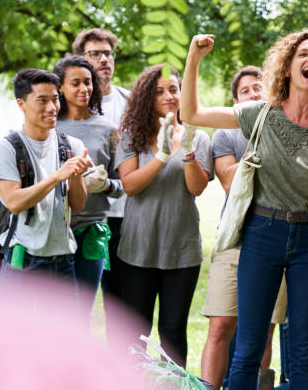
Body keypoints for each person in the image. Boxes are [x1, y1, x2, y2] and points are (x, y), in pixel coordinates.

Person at [181, 30, 308, 389]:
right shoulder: (261, 114)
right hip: (263, 233)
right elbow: (192, 112)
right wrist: (194, 59)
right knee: (247, 348)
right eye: (304, 54)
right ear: (288, 68)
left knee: (304, 352)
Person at [115, 64, 212, 367]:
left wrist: (187, 150)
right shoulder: (131, 135)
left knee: (172, 330)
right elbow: (130, 185)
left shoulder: (198, 136)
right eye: (159, 91)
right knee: (135, 331)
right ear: (146, 97)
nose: (168, 95)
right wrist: (161, 154)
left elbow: (196, 188)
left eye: (173, 89)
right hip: (137, 248)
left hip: (181, 250)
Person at [201, 66, 287, 389]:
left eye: (259, 88)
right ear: (236, 101)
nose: (254, 94)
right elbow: (227, 181)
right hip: (235, 240)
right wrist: (261, 139)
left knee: (263, 328)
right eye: (246, 91)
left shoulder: (289, 127)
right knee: (221, 326)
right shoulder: (226, 134)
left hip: (276, 239)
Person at [0, 69, 92, 305]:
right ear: (21, 104)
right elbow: (14, 202)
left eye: (55, 99)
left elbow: (78, 204)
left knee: (63, 339)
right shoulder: (5, 149)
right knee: (18, 339)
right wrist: (58, 176)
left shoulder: (71, 145)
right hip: (23, 262)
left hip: (63, 260)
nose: (52, 108)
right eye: (42, 100)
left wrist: (76, 175)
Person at [54, 56, 124, 317]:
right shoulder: (50, 126)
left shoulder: (109, 129)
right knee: (57, 313)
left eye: (88, 82)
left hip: (93, 231)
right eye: (75, 83)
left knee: (81, 312)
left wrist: (104, 185)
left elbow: (121, 184)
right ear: (60, 87)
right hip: (55, 233)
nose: (84, 89)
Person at [72, 28, 130, 340]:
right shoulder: (67, 104)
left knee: (119, 302)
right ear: (79, 59)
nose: (104, 59)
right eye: (95, 53)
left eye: (108, 53)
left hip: (123, 216)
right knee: (75, 304)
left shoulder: (130, 101)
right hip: (79, 218)